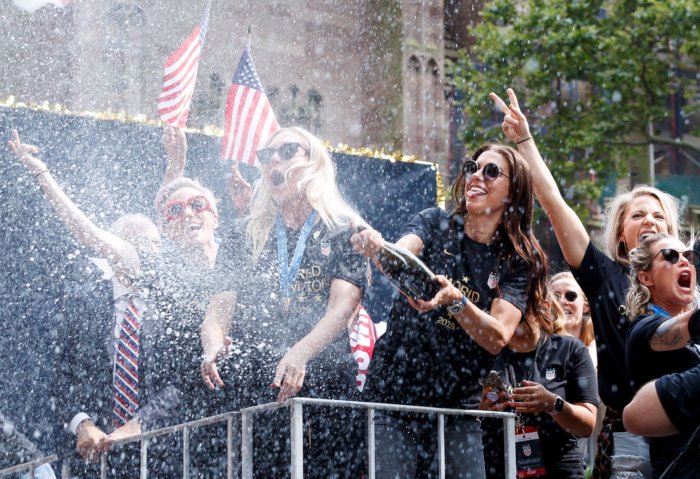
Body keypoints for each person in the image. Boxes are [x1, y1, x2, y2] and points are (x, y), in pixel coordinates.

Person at [490, 88, 681, 478]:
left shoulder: (688, 282)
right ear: (622, 236)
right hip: (630, 432)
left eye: (658, 217)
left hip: (686, 424)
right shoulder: (603, 274)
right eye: (638, 215)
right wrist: (525, 141)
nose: (650, 221)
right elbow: (555, 203)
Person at [351, 141, 546, 478]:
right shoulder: (435, 221)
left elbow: (497, 336)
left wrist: (456, 301)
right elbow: (401, 255)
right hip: (393, 397)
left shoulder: (515, 261)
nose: (476, 177)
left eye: (491, 171)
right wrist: (378, 248)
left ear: (512, 193)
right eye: (472, 167)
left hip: (456, 409)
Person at [201, 126, 368, 478]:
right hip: (256, 388)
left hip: (325, 385)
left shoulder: (344, 229)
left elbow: (343, 307)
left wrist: (300, 353)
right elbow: (218, 310)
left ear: (314, 163)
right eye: (266, 155)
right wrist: (213, 345)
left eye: (288, 150)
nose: (273, 159)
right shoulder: (244, 233)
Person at [480, 292, 599, 478]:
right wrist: (481, 409)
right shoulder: (486, 352)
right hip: (497, 466)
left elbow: (587, 425)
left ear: (544, 306)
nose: (513, 313)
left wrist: (552, 404)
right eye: (505, 307)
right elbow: (462, 412)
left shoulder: (569, 350)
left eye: (519, 305)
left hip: (558, 468)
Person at [624, 234, 700, 477]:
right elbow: (671, 332)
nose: (684, 262)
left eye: (689, 257)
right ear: (646, 277)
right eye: (670, 256)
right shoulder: (643, 329)